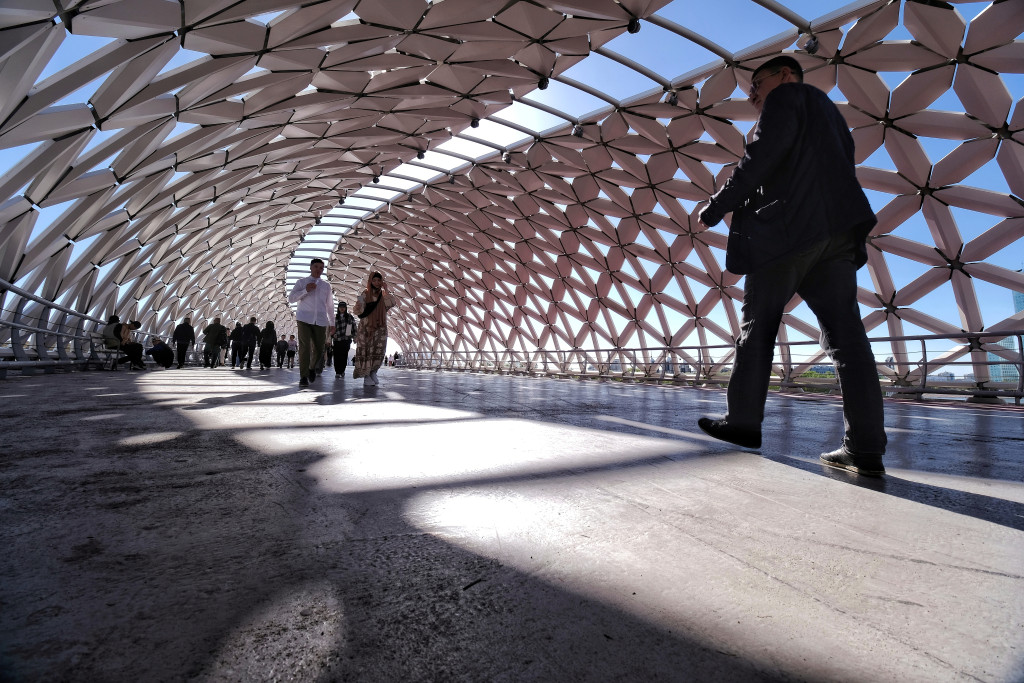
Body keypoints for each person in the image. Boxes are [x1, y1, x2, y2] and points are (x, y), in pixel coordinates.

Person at [695, 55, 887, 476]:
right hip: (838, 233)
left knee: (758, 326)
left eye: (756, 85)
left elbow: (762, 155)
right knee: (848, 340)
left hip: (787, 232)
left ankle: (743, 421)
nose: (753, 95)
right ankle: (865, 447)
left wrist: (717, 206)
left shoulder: (786, 97)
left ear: (784, 75)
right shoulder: (831, 116)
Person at [287, 258, 335, 388]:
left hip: (321, 320)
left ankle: (311, 368)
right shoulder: (301, 282)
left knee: (319, 349)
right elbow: (291, 299)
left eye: (321, 268)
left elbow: (330, 305)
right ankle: (303, 377)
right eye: (316, 267)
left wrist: (332, 322)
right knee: (305, 347)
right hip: (304, 318)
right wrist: (305, 290)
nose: (319, 269)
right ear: (311, 267)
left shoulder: (326, 286)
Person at [352, 271, 396, 386]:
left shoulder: (383, 295)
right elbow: (358, 311)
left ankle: (373, 372)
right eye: (374, 280)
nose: (377, 282)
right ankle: (366, 376)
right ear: (370, 281)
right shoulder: (365, 294)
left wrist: (386, 289)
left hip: (380, 327)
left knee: (378, 350)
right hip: (366, 327)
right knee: (367, 351)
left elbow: (392, 302)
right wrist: (358, 306)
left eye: (379, 280)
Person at [332, 302, 358, 378]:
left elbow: (354, 327)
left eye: (343, 307)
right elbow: (332, 328)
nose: (342, 308)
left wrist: (355, 337)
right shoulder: (335, 317)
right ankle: (337, 372)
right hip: (337, 339)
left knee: (344, 355)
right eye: (340, 307)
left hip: (346, 339)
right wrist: (332, 335)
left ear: (346, 308)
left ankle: (342, 370)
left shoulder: (349, 317)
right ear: (338, 308)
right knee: (336, 356)